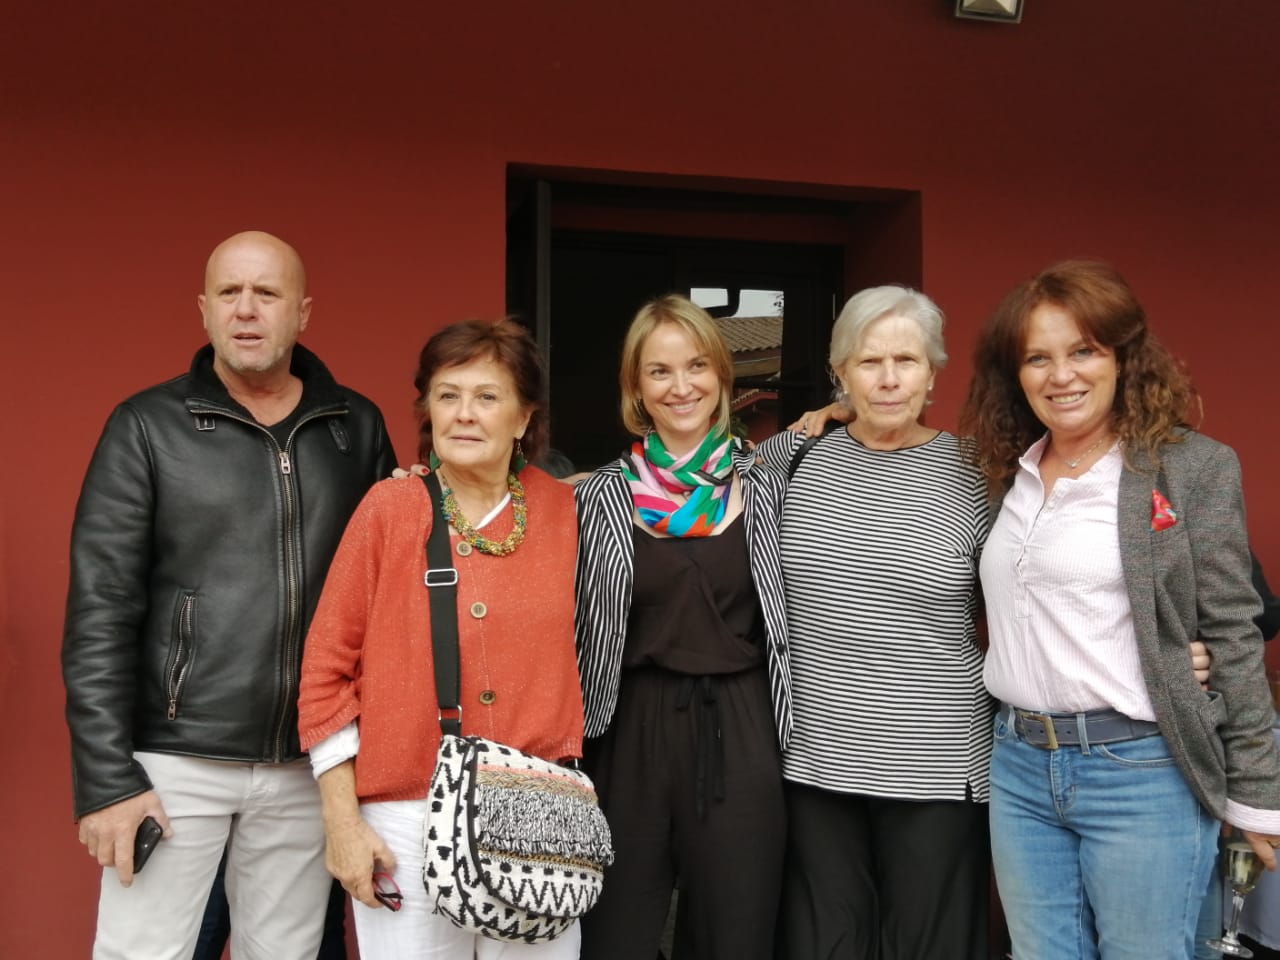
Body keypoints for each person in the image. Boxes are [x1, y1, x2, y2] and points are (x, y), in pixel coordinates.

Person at [62, 230, 396, 960]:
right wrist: (106, 780)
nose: (246, 309)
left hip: (308, 762)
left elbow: (386, 602)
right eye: (229, 292)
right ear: (204, 309)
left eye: (267, 293)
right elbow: (100, 612)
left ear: (302, 312)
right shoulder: (146, 426)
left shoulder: (356, 427)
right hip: (175, 759)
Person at [960, 258, 1280, 960]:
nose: (1061, 375)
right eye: (1037, 358)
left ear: (1122, 357)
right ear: (1015, 374)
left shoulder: (1189, 467)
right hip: (1019, 766)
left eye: (1083, 351)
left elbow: (1233, 630)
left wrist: (1259, 791)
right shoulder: (1002, 472)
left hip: (1141, 771)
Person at [296, 318, 585, 959]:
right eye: (447, 395)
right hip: (407, 817)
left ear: (524, 417)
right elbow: (325, 671)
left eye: (487, 396)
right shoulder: (390, 508)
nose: (464, 413)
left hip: (536, 811)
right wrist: (342, 821)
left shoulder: (566, 511)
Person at [755, 285, 993, 960]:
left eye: (906, 361)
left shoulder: (979, 474)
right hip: (814, 760)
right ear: (841, 373)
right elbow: (676, 489)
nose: (888, 379)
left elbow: (1038, 593)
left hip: (938, 766)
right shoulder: (790, 460)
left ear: (933, 374)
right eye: (869, 361)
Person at [573, 294, 791, 960]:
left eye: (696, 366)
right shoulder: (596, 496)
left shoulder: (769, 485)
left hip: (741, 726)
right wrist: (427, 480)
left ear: (722, 375)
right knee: (616, 933)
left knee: (737, 932)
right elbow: (492, 507)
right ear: (636, 388)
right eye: (659, 371)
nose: (681, 386)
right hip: (629, 729)